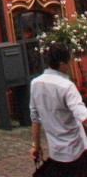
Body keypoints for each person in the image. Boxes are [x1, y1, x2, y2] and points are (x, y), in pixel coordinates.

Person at [30, 42, 87, 175]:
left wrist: (36, 146)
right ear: (62, 64)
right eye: (69, 61)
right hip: (77, 152)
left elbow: (35, 118)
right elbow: (83, 116)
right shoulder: (66, 86)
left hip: (56, 153)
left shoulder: (35, 84)